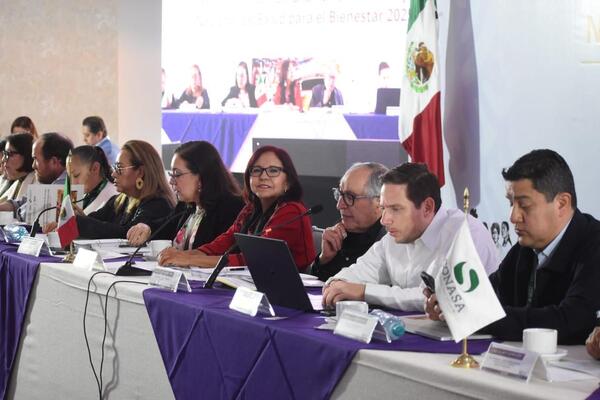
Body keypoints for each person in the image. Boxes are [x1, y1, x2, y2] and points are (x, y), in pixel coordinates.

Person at [425, 149, 600, 344]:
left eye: (524, 205)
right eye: (511, 204)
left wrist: (477, 314)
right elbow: (488, 294)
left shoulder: (594, 244)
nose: (513, 217)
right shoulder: (526, 246)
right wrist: (451, 302)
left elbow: (572, 321)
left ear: (561, 203)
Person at [322, 163, 498, 311]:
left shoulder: (465, 233)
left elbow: (439, 298)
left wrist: (364, 291)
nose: (384, 220)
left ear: (427, 207)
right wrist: (337, 284)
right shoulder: (394, 236)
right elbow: (355, 273)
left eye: (395, 209)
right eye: (383, 208)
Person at [157, 145, 316, 271]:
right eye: (256, 170)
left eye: (273, 171)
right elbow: (223, 243)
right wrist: (183, 255)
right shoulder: (250, 210)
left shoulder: (292, 211)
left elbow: (255, 260)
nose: (263, 176)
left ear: (288, 180)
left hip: (293, 292)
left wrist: (189, 259)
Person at [126, 141, 244, 249]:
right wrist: (147, 227)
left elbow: (224, 255)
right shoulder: (186, 206)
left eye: (177, 174)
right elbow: (163, 227)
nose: (171, 181)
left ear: (201, 176)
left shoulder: (231, 209)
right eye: (171, 174)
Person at [75, 140, 175, 239]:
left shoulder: (158, 204)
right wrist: (76, 217)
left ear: (140, 172)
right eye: (114, 167)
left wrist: (79, 221)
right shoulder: (119, 200)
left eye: (119, 168)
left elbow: (127, 234)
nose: (113, 174)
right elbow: (94, 221)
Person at [311, 162, 388, 281]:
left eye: (349, 197)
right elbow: (312, 287)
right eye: (339, 194)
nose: (339, 205)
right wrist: (324, 260)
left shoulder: (391, 242)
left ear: (379, 201)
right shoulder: (338, 234)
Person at [42, 146, 118, 233]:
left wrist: (82, 222)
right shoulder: (85, 194)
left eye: (76, 175)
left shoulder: (113, 196)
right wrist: (60, 225)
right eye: (69, 177)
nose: (72, 183)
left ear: (95, 168)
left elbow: (108, 231)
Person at [0, 134, 36, 203]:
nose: (3, 159)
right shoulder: (17, 181)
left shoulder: (38, 185)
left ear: (26, 154)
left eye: (9, 154)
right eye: (5, 154)